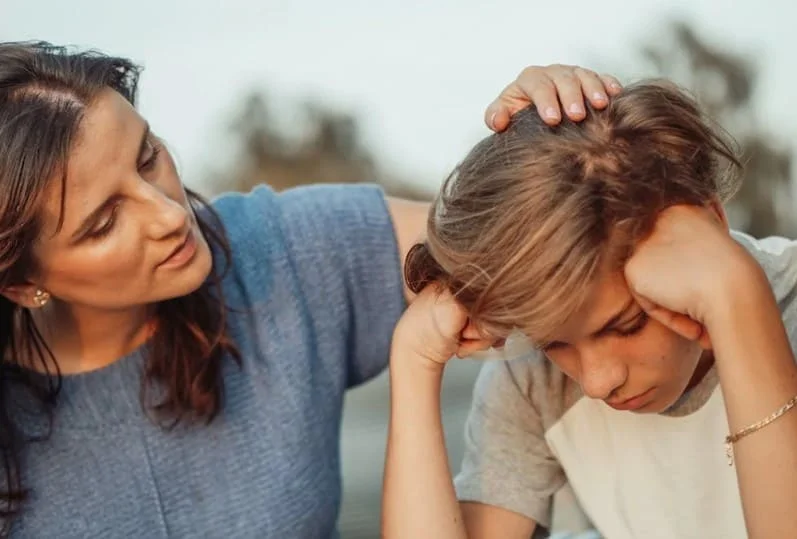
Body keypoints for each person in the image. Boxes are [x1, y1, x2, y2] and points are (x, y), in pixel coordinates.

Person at [0, 40, 620, 538]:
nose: (169, 215)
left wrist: (552, 141)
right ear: (25, 283)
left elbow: (525, 239)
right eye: (105, 222)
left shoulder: (285, 251)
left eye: (147, 158)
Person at [382, 79, 797, 539]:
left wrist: (738, 300)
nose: (597, 382)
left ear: (712, 225)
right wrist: (413, 361)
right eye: (554, 342)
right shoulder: (531, 378)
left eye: (627, 325)